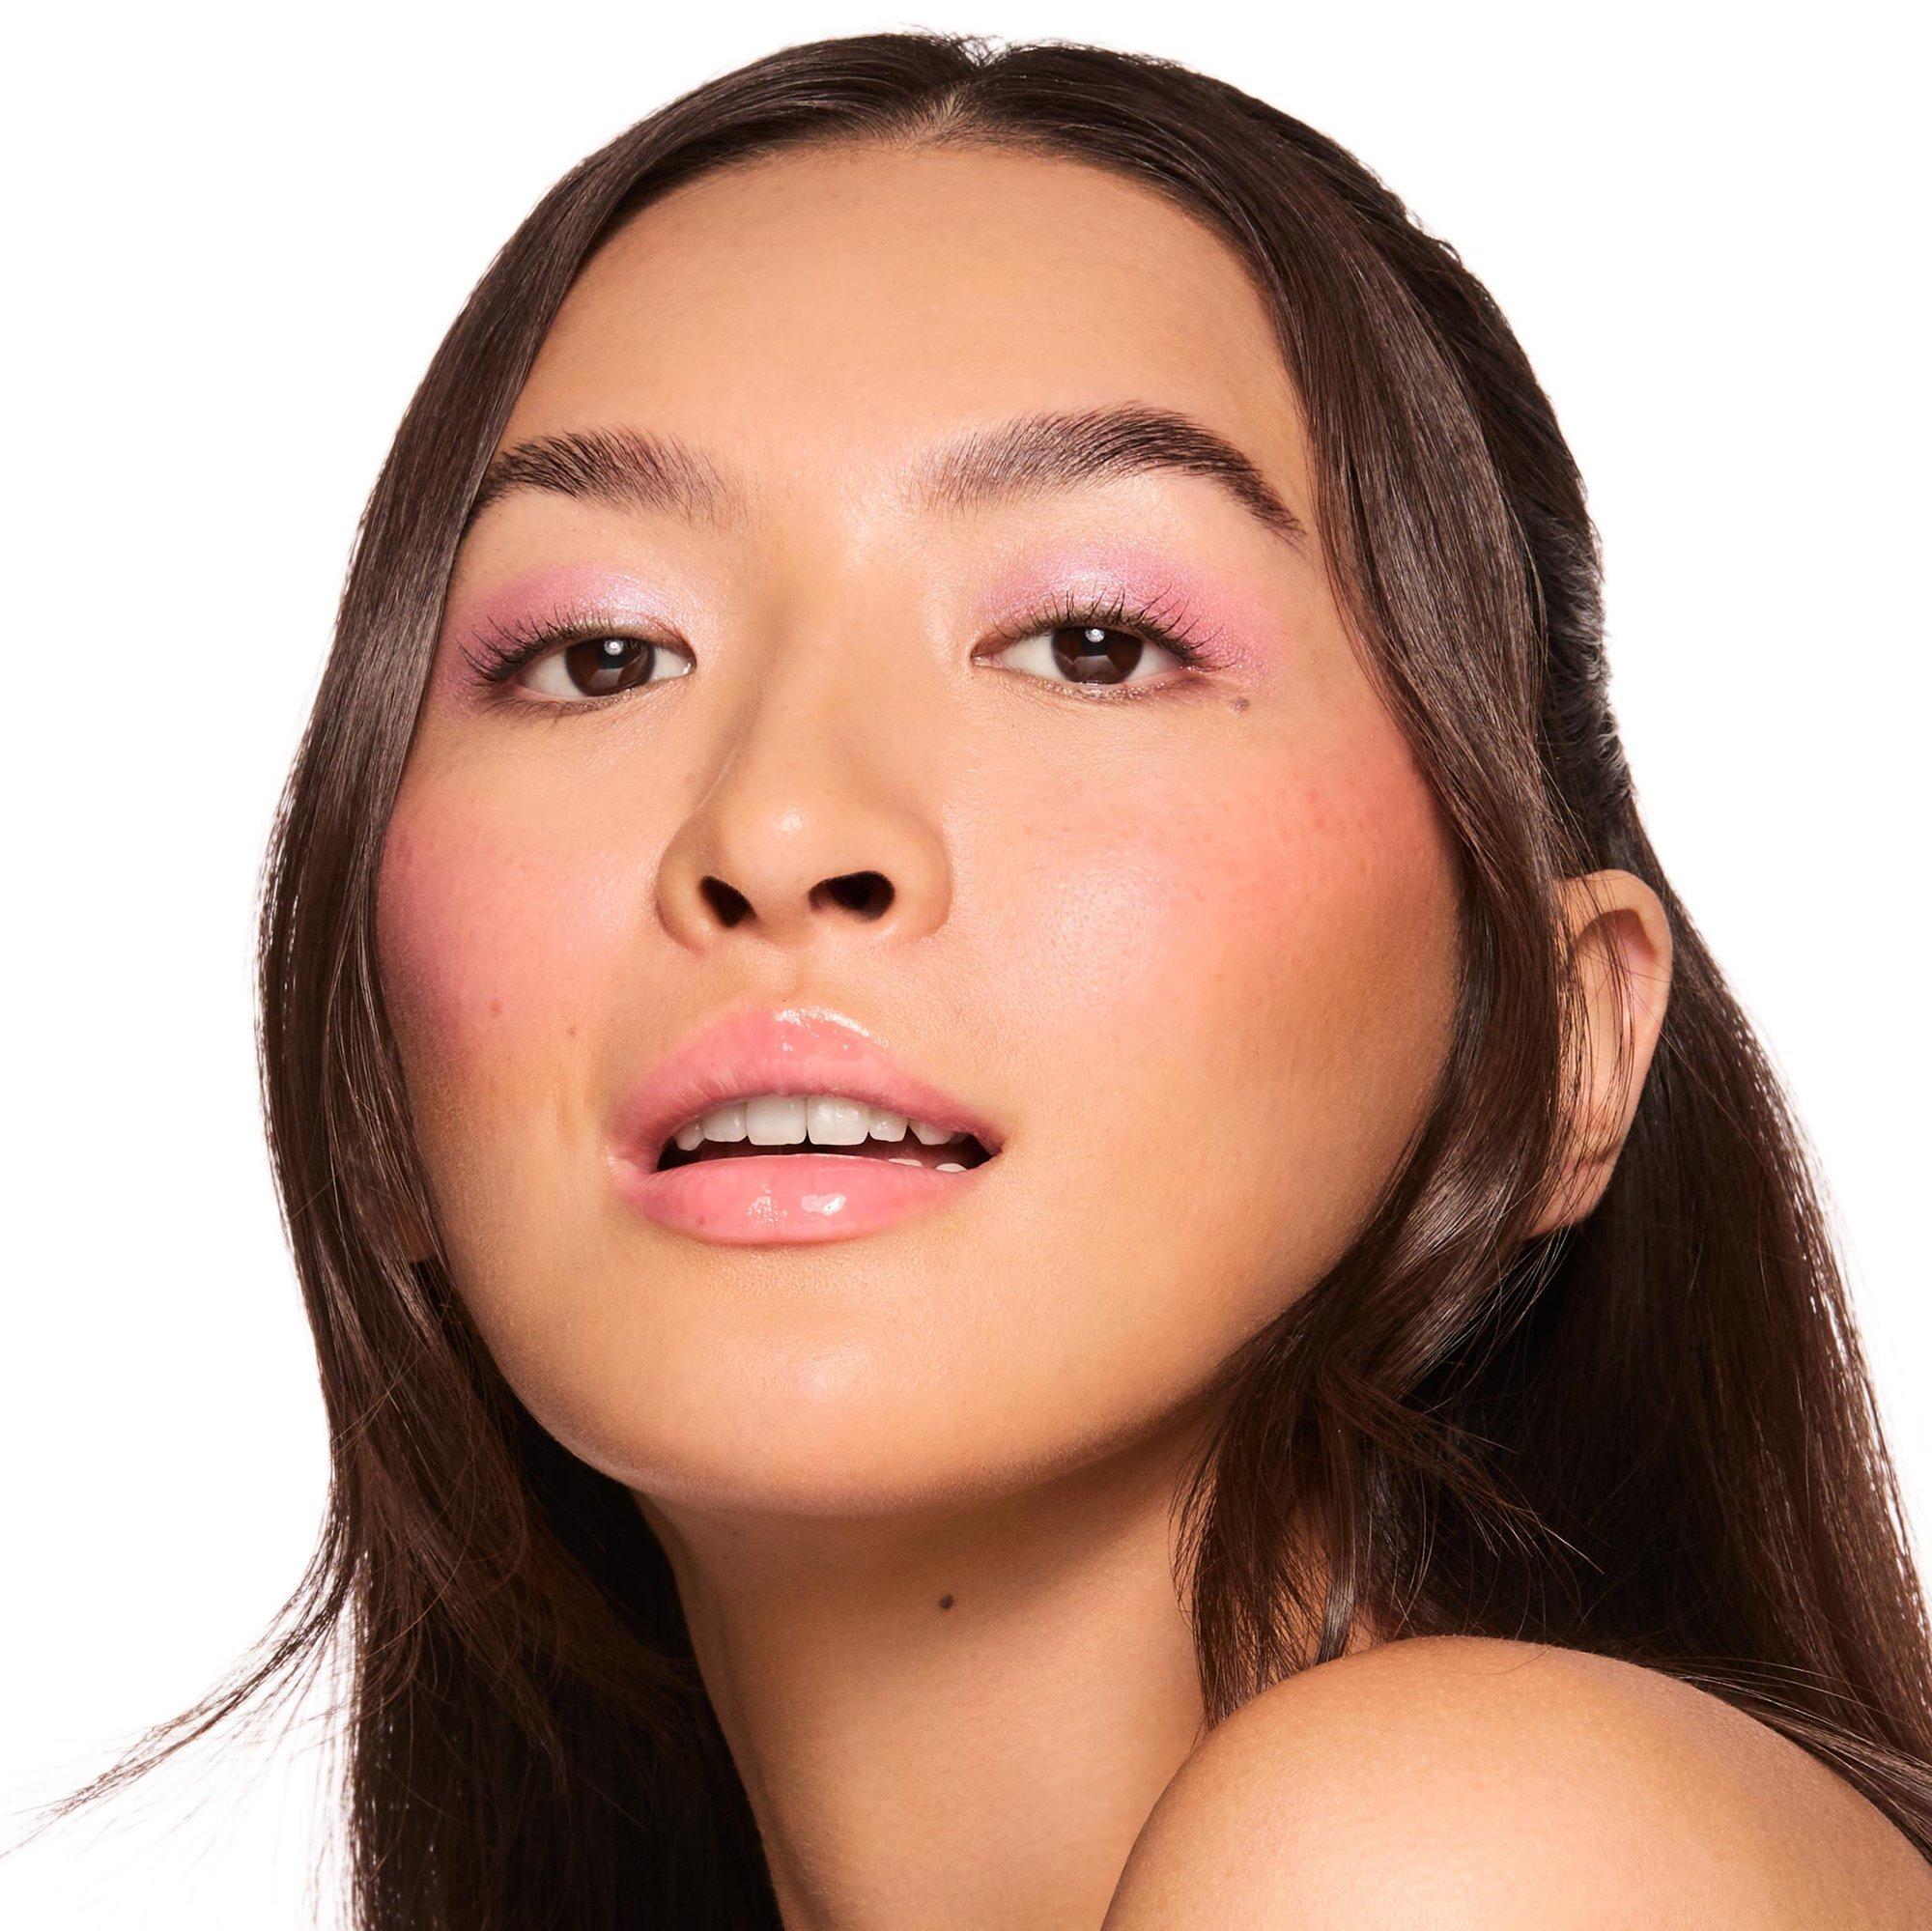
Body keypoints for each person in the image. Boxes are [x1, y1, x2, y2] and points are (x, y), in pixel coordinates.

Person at [21, 29, 1932, 1928]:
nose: (778, 825)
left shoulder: (1462, 1860)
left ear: (1556, 1046)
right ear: (374, 1069)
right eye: (603, 656)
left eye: (1093, 643)